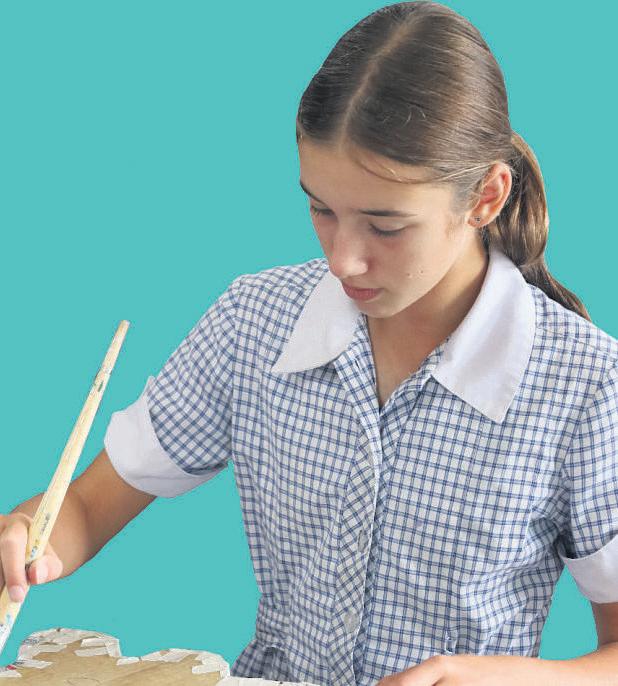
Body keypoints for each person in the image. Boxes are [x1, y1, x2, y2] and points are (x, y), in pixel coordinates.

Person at [2, 2, 617, 685]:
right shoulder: (253, 321)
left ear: (486, 197)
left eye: (386, 226)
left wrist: (508, 678)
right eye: (321, 209)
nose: (343, 259)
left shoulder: (588, 384)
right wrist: (26, 536)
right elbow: (84, 508)